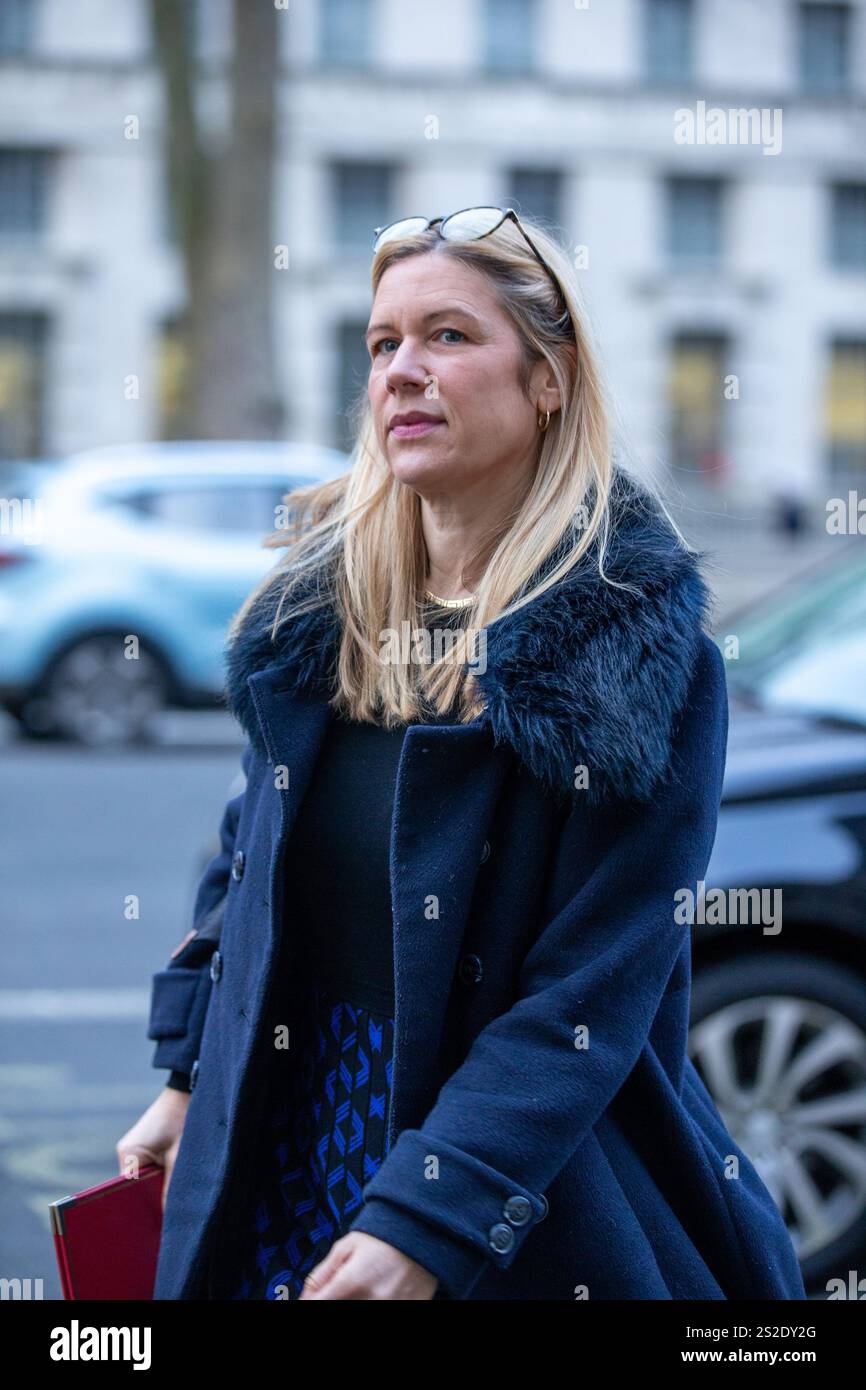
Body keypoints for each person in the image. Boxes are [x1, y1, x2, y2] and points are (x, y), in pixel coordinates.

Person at [118, 206, 806, 1301]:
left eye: (447, 336)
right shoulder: (316, 618)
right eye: (382, 343)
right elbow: (247, 869)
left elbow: (588, 992)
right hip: (280, 1141)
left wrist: (434, 1211)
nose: (401, 371)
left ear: (548, 380)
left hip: (512, 1188)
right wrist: (194, 1073)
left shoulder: (633, 654)